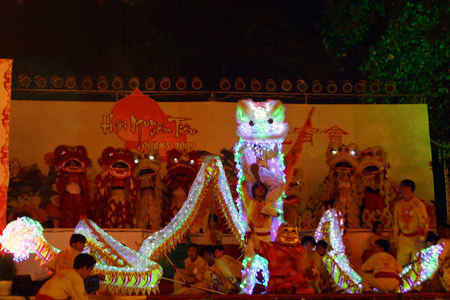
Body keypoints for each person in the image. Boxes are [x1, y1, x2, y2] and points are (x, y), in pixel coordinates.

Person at [392, 179, 429, 266]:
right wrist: (394, 240)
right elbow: (395, 223)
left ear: (409, 189)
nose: (400, 190)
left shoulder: (418, 204)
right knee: (401, 265)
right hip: (403, 239)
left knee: (415, 267)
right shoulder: (398, 205)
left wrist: (422, 238)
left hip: (416, 240)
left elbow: (424, 222)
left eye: (402, 188)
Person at [431, 223, 450, 292]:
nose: (445, 232)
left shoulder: (445, 242)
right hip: (444, 263)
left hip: (445, 265)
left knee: (443, 271)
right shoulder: (442, 241)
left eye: (447, 230)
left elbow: (439, 261)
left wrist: (430, 277)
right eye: (443, 230)